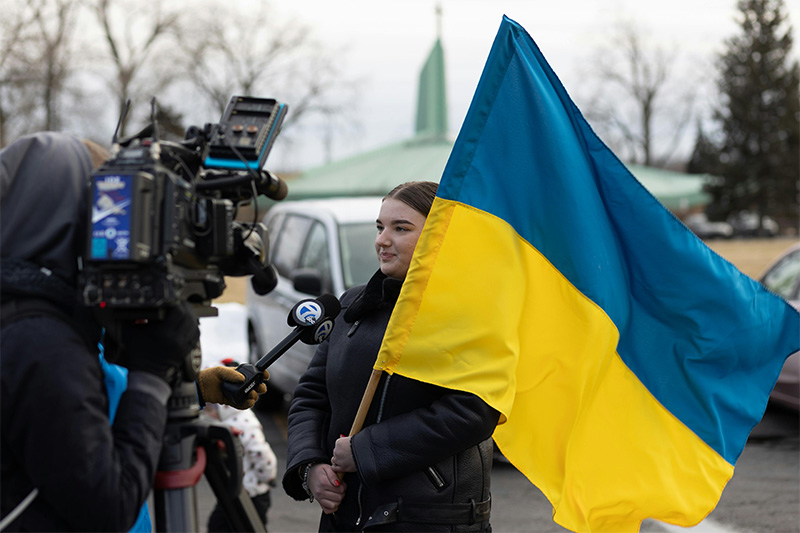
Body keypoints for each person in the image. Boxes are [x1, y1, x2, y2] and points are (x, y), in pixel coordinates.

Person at [0, 131, 268, 531]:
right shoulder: (41, 341)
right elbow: (109, 508)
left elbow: (81, 413)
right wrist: (153, 375)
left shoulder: (33, 308)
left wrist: (194, 389)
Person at [282, 181, 500, 532]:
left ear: (440, 237)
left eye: (401, 229)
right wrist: (310, 467)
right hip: (344, 519)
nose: (382, 240)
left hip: (428, 522)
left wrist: (366, 451)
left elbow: (474, 409)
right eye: (380, 227)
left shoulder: (472, 313)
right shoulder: (352, 305)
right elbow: (310, 397)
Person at [203, 359, 278, 532]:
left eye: (210, 409)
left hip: (253, 493)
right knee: (217, 526)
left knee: (251, 526)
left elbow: (261, 453)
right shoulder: (225, 421)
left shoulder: (244, 424)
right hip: (233, 489)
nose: (207, 414)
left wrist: (267, 476)